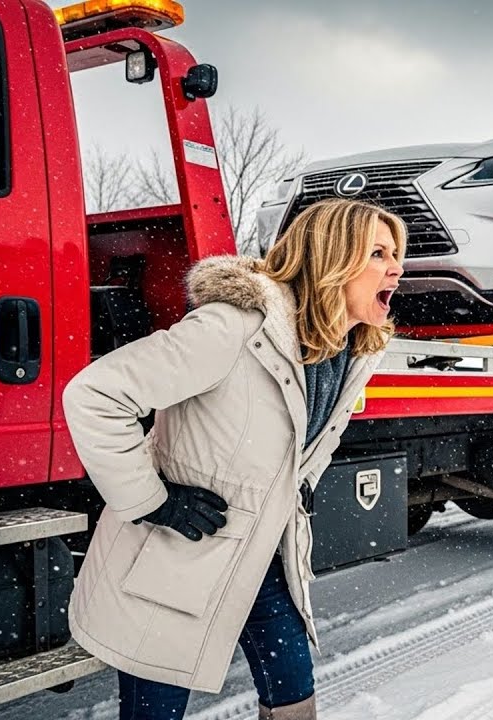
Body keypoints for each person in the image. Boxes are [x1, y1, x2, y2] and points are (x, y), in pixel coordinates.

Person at [62, 199, 406, 719]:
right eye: (378, 253)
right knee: (156, 709)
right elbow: (96, 394)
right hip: (179, 556)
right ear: (331, 258)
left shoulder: (351, 349)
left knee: (294, 696)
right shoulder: (234, 328)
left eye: (396, 253)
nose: (397, 268)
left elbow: (324, 435)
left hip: (263, 559)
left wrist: (300, 483)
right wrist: (151, 501)